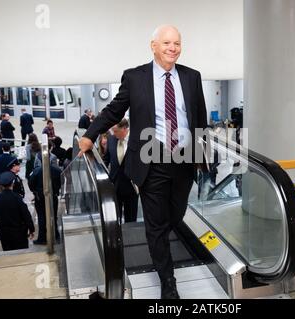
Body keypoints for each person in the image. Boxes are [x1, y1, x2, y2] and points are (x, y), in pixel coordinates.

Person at [79, 25, 207, 299]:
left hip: (184, 159)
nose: (173, 48)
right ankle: (168, 281)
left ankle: (160, 244)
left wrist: (202, 155)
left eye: (177, 43)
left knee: (175, 215)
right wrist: (90, 135)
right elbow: (114, 110)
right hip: (152, 160)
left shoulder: (192, 77)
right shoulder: (135, 77)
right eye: (166, 43)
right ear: (153, 45)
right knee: (156, 225)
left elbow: (200, 118)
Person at [103, 119, 139, 223]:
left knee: (131, 219)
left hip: (132, 187)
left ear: (125, 129)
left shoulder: (136, 140)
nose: (114, 134)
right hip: (115, 186)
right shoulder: (111, 139)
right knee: (114, 219)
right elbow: (106, 159)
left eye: (116, 131)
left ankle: (131, 238)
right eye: (113, 131)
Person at [0, 171, 35, 251]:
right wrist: (31, 229)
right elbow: (26, 215)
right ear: (13, 183)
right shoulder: (17, 198)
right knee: (21, 253)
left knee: (8, 254)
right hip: (19, 233)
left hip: (4, 233)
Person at [28, 154, 62, 245]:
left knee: (41, 217)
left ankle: (42, 238)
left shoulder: (36, 171)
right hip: (53, 196)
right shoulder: (57, 170)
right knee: (53, 216)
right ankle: (56, 235)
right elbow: (61, 182)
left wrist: (35, 192)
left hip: (40, 197)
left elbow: (31, 184)